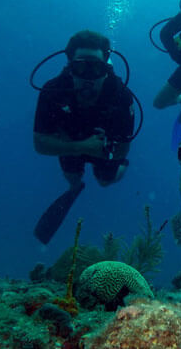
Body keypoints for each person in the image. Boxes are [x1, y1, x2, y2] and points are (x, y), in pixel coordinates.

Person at [32, 30, 134, 243]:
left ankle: (124, 167)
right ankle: (76, 187)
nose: (88, 77)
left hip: (104, 149)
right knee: (73, 178)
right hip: (71, 144)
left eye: (96, 68)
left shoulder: (120, 95)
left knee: (105, 181)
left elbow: (125, 145)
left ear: (106, 70)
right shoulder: (53, 91)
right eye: (80, 67)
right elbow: (39, 144)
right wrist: (81, 146)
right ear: (70, 68)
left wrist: (110, 151)